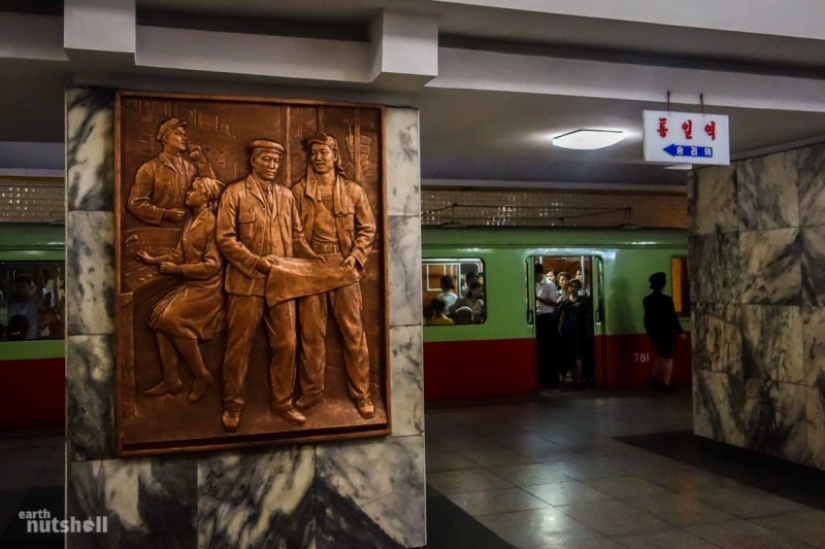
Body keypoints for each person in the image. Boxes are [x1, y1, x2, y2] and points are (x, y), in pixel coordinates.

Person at [217, 138, 322, 432]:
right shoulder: (235, 192)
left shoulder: (286, 196)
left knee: (287, 344)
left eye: (276, 161)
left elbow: (297, 237)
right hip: (246, 284)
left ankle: (282, 403)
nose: (272, 165)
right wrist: (255, 262)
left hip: (281, 285)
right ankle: (232, 406)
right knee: (239, 348)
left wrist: (315, 261)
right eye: (266, 159)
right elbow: (225, 238)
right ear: (253, 161)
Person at [292, 132, 377, 419]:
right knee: (310, 335)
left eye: (323, 152)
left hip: (343, 266)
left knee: (353, 333)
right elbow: (292, 231)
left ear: (334, 156)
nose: (318, 157)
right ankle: (311, 391)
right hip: (311, 267)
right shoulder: (298, 191)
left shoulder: (353, 191)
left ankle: (362, 394)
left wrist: (355, 257)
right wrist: (304, 255)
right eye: (313, 153)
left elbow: (368, 229)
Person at [136, 177, 226, 403]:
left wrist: (177, 270)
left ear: (205, 197)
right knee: (157, 317)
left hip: (210, 288)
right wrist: (153, 260)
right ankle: (172, 379)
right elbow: (178, 254)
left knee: (170, 318)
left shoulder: (213, 223)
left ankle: (202, 375)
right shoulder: (191, 222)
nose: (188, 192)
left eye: (193, 189)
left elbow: (212, 266)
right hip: (194, 285)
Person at [127, 118, 215, 226]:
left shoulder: (190, 168)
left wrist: (201, 160)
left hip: (189, 229)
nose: (184, 138)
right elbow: (135, 204)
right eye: (178, 134)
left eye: (184, 134)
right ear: (166, 137)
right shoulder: (149, 168)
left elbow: (212, 189)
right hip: (160, 230)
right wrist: (165, 214)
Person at [643, 272, 686, 391]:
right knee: (668, 357)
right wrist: (680, 332)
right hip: (666, 332)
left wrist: (649, 331)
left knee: (663, 354)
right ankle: (666, 383)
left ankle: (652, 376)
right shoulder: (667, 300)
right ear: (663, 285)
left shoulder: (647, 300)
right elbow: (672, 318)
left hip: (654, 333)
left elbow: (647, 318)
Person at [557, 278, 591, 389]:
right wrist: (559, 328)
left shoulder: (583, 301)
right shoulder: (565, 302)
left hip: (579, 327)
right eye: (571, 286)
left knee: (577, 354)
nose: (573, 288)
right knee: (570, 355)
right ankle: (575, 378)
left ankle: (579, 379)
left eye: (575, 286)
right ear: (569, 288)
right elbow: (562, 315)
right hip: (568, 327)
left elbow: (587, 315)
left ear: (579, 288)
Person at [534, 263, 559, 388]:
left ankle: (552, 378)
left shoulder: (549, 284)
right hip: (537, 318)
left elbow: (554, 303)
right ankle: (543, 377)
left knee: (548, 349)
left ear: (539, 273)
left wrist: (537, 298)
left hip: (547, 318)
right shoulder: (534, 284)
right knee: (540, 350)